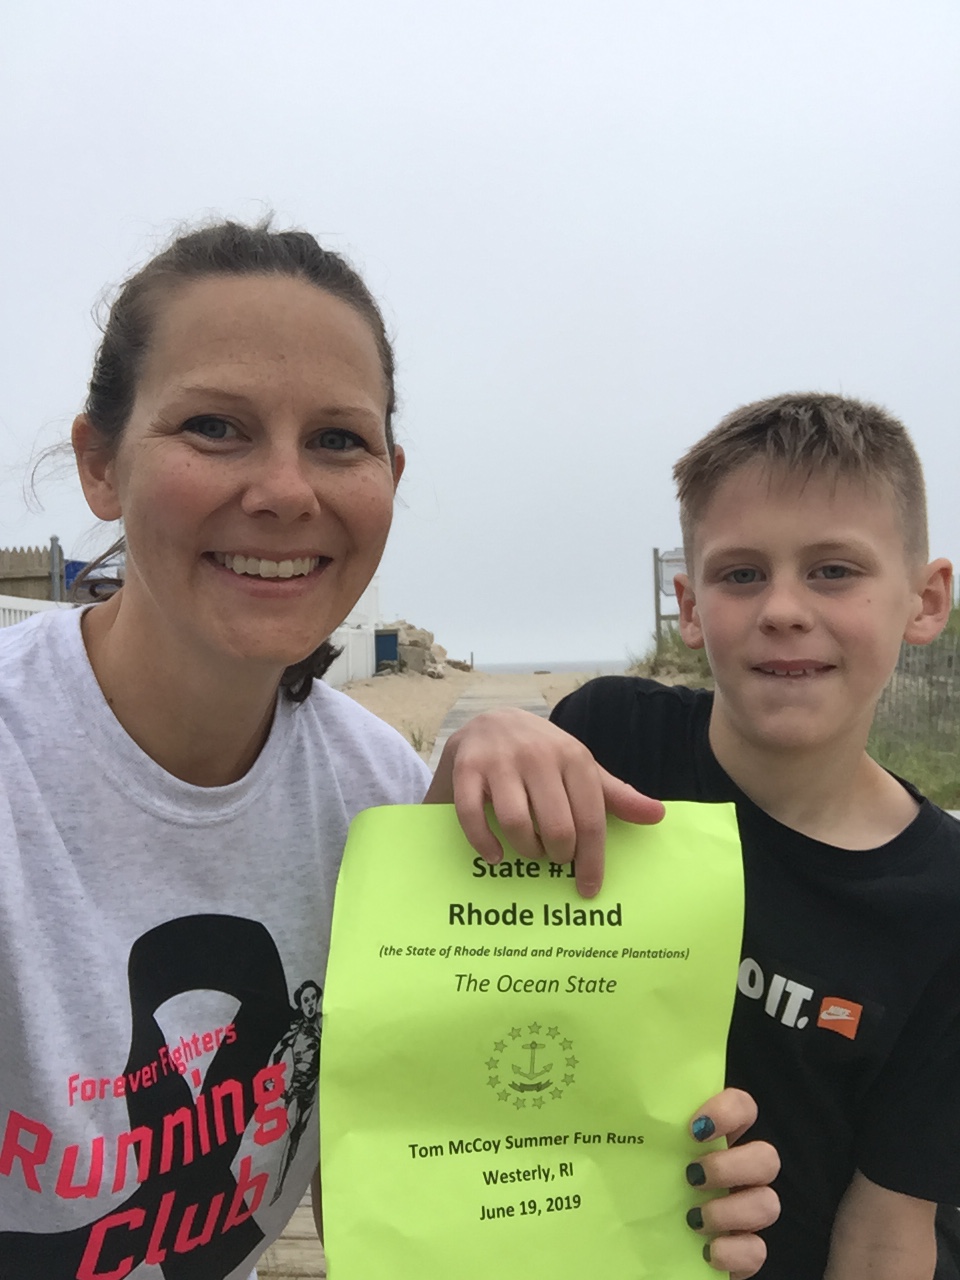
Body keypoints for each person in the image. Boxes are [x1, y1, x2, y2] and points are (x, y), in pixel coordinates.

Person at [0, 220, 777, 1280]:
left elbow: (408, 1170)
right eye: (215, 426)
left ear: (391, 476)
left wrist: (642, 1191)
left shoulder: (379, 797)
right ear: (100, 463)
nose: (286, 490)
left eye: (337, 440)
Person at [438, 392, 960, 1280]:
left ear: (925, 599)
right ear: (689, 604)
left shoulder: (942, 902)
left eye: (834, 570)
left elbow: (886, 1227)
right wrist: (472, 753)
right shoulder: (608, 744)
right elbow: (436, 958)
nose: (783, 608)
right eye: (741, 574)